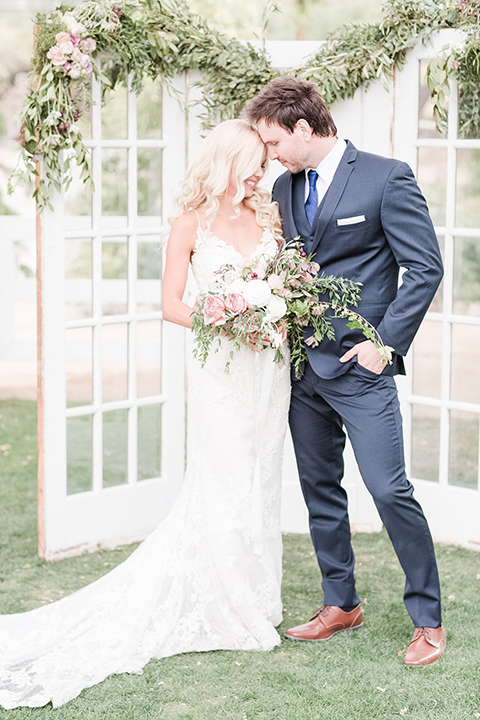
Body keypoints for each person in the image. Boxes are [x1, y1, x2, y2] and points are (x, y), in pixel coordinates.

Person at [0, 119, 290, 709]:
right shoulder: (190, 224)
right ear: (227, 161)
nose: (264, 171)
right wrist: (231, 321)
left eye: (266, 161)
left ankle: (256, 597)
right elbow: (170, 305)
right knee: (225, 478)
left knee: (262, 478)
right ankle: (225, 603)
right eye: (255, 161)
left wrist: (275, 313)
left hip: (269, 367)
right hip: (220, 369)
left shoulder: (267, 218)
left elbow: (279, 282)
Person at [245, 76, 446, 667]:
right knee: (319, 491)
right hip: (302, 369)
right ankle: (341, 602)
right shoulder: (284, 186)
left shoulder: (386, 177)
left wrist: (385, 344)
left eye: (275, 141)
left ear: (304, 128)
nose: (272, 155)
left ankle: (427, 619)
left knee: (389, 489)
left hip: (361, 367)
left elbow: (424, 267)